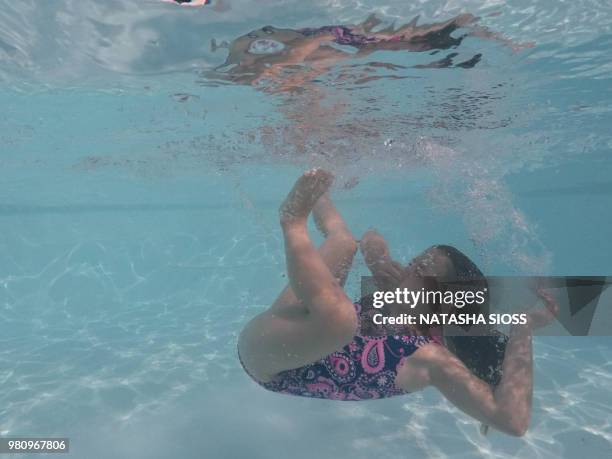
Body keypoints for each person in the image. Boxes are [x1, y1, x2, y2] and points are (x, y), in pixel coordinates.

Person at [238, 168, 558, 437]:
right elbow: (373, 242)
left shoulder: (429, 359)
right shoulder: (395, 294)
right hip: (274, 329)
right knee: (344, 243)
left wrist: (523, 328)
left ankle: (293, 223)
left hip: (272, 364)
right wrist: (377, 254)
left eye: (420, 270)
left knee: (341, 317)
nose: (407, 270)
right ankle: (316, 178)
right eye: (414, 262)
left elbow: (513, 421)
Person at [214, 13, 532, 90]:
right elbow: (463, 18)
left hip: (301, 42)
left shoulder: (376, 47)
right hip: (298, 38)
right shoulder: (394, 36)